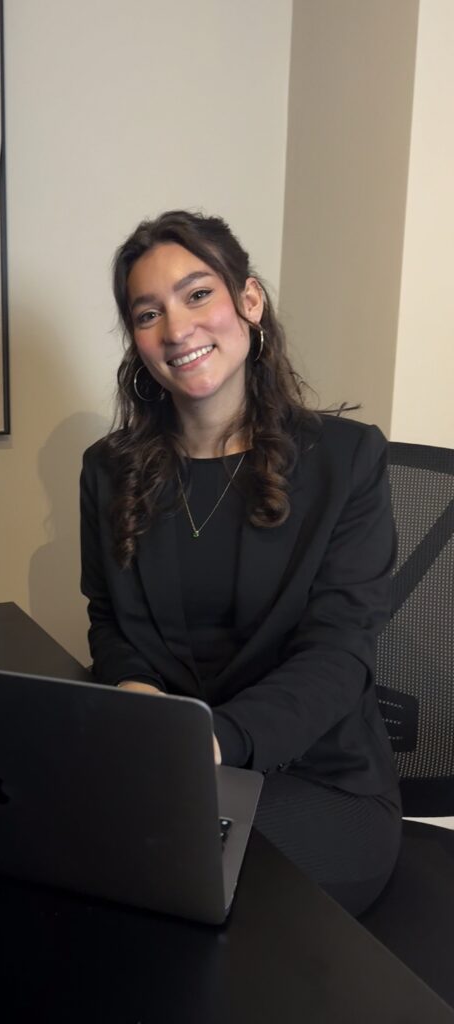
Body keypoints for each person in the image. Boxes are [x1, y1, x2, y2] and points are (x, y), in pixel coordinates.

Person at [80, 210, 401, 916]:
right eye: (147, 313)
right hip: (171, 773)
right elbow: (109, 620)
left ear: (248, 300)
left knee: (151, 886)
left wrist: (213, 742)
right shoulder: (107, 470)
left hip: (318, 783)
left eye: (198, 294)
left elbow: (340, 654)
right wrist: (134, 689)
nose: (176, 329)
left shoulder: (346, 460)